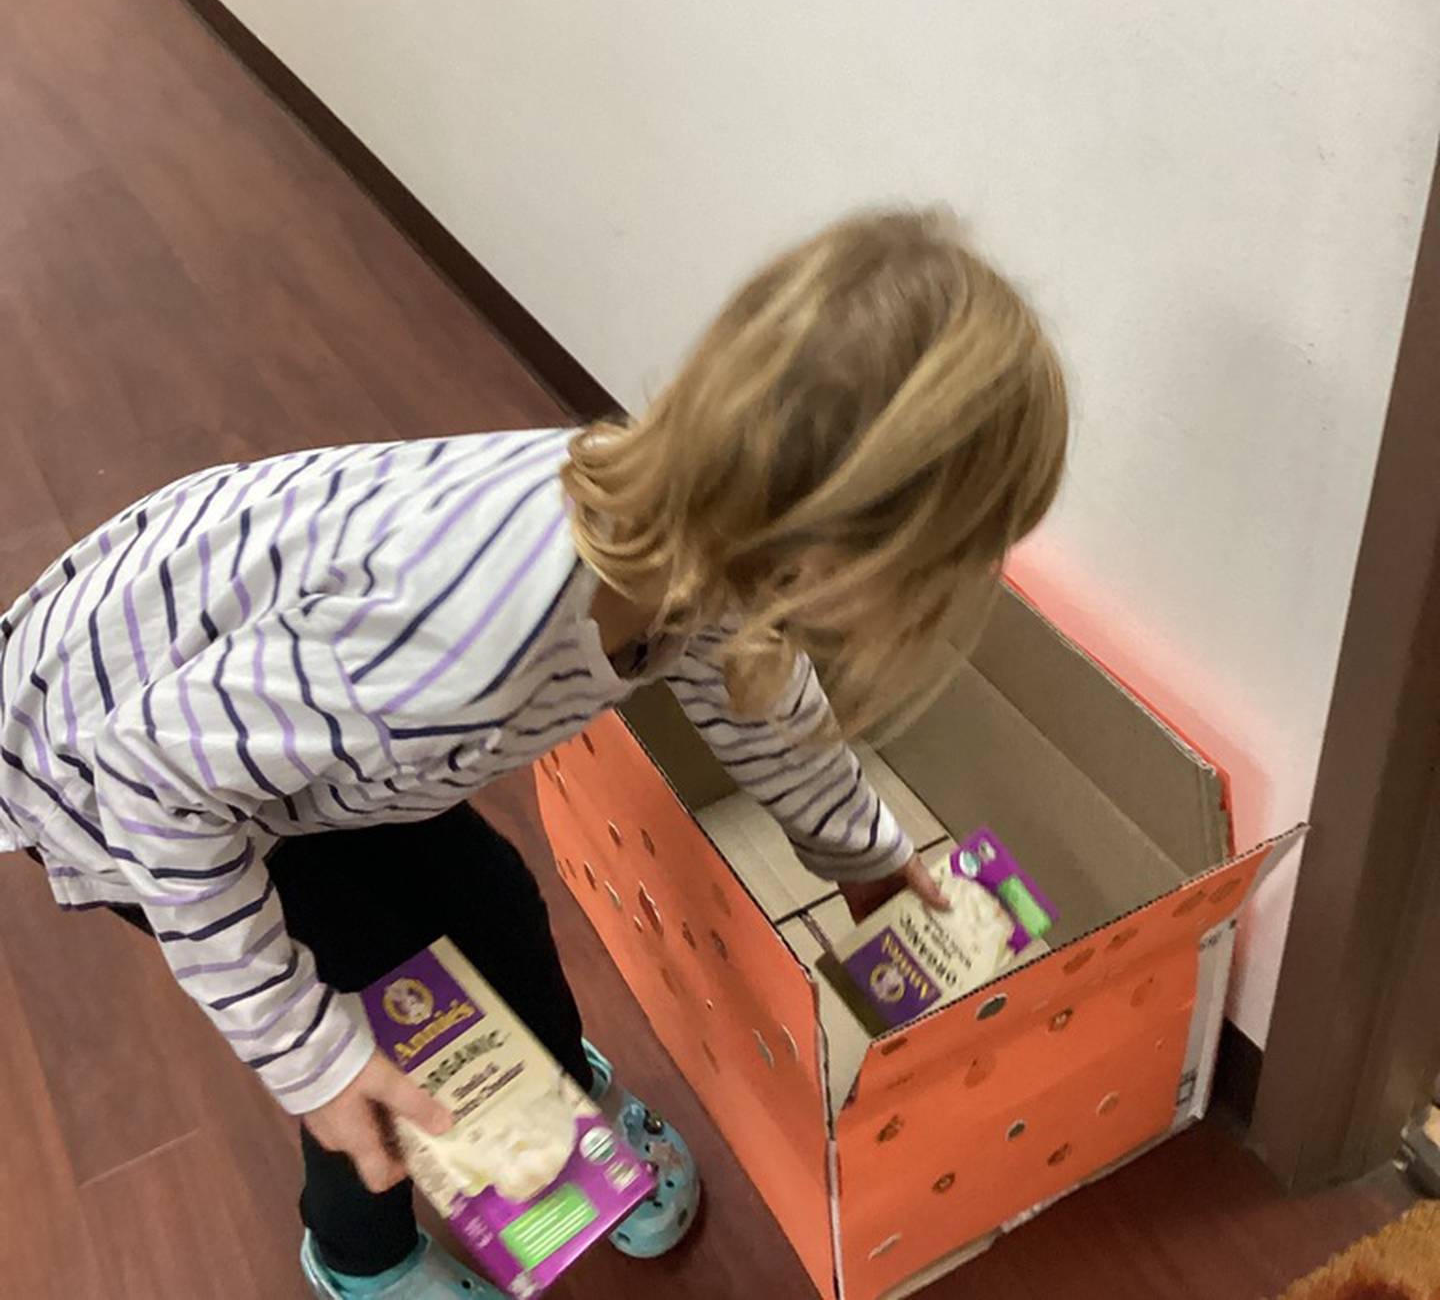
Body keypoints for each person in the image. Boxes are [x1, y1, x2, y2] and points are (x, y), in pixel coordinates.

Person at [0, 206, 1067, 1299]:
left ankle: (555, 1101)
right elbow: (151, 785)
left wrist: (864, 854)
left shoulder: (696, 539)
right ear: (835, 555)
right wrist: (308, 1055)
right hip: (110, 760)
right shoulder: (456, 648)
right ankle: (360, 1260)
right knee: (378, 1027)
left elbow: (757, 696)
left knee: (492, 903)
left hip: (292, 732)